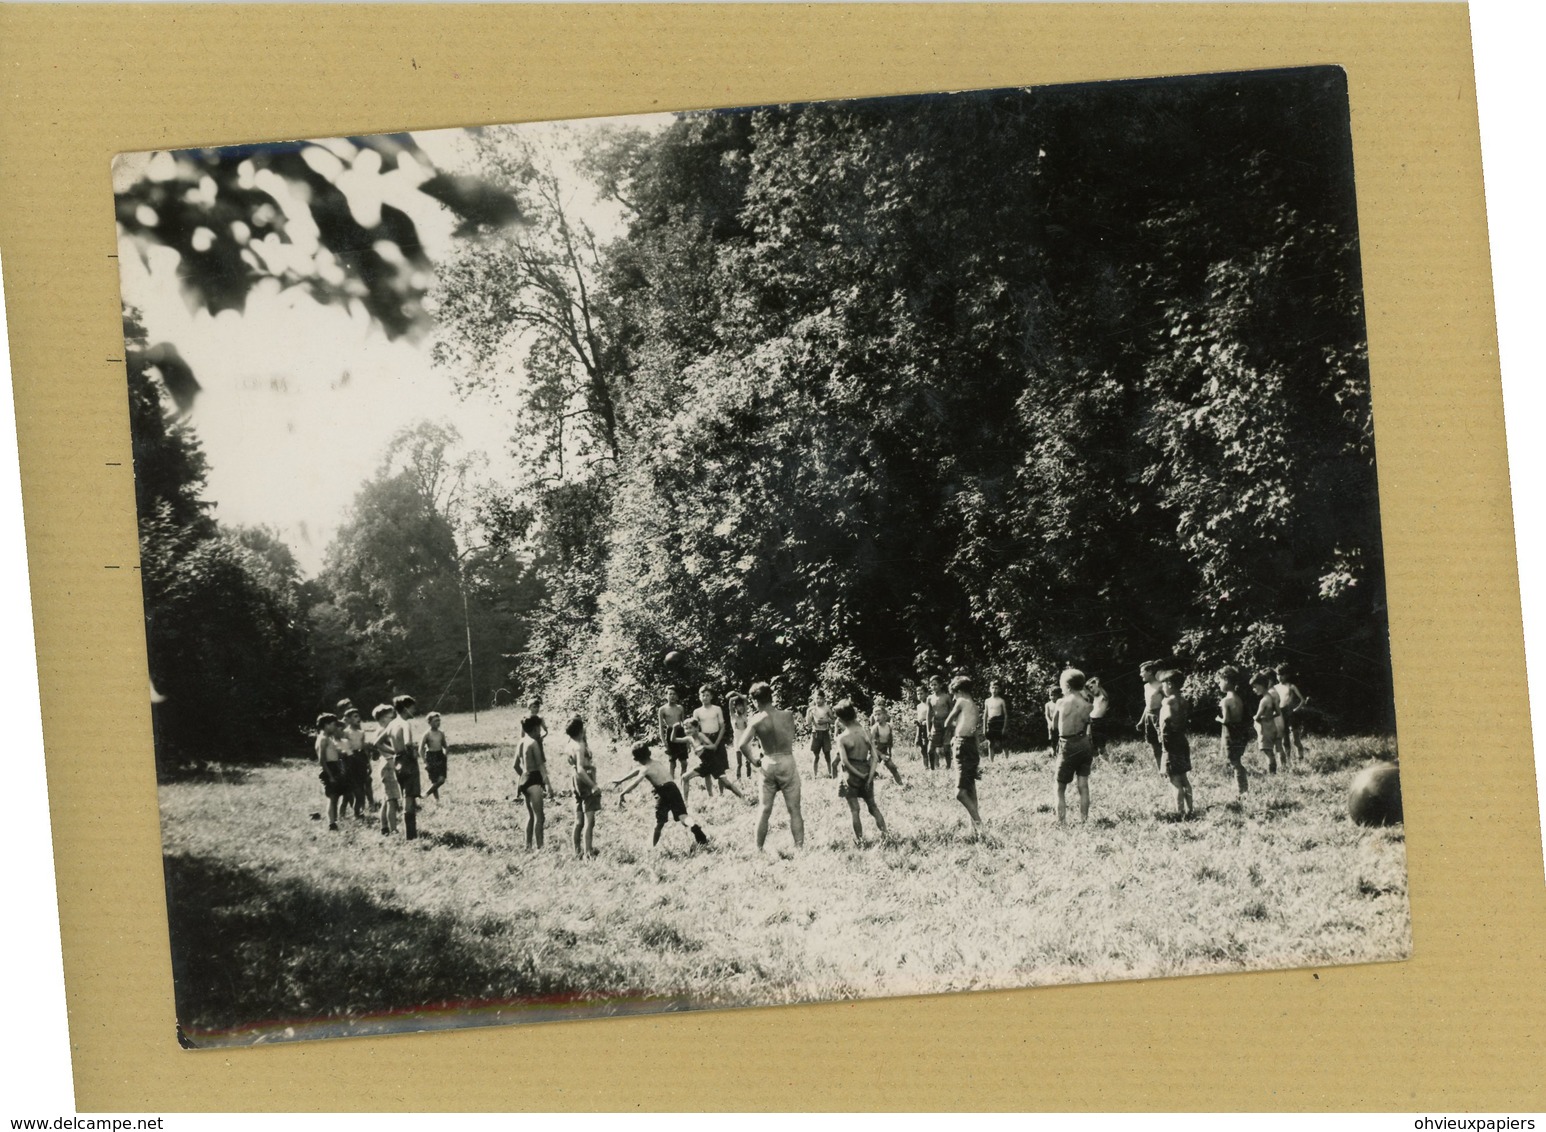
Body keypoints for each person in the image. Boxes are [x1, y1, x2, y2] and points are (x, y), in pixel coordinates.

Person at [736, 681, 805, 852]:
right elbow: (791, 735)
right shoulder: (788, 715)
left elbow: (742, 745)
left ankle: (758, 849)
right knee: (794, 809)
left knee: (764, 808)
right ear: (771, 696)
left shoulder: (756, 720)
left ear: (754, 700)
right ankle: (799, 848)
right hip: (787, 760)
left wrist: (754, 761)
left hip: (768, 762)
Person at [616, 743, 709, 847]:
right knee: (683, 816)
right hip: (673, 788)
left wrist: (622, 793)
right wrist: (621, 780)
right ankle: (694, 827)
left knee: (659, 823)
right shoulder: (656, 763)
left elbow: (636, 781)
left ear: (635, 759)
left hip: (663, 791)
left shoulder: (645, 769)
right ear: (649, 753)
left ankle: (651, 847)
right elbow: (637, 770)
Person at [834, 700, 887, 844]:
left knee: (854, 810)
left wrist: (858, 775)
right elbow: (875, 757)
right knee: (873, 807)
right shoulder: (866, 733)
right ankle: (885, 834)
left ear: (840, 719)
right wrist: (869, 777)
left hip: (850, 776)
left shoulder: (842, 738)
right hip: (866, 769)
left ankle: (860, 841)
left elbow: (845, 762)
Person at [942, 675, 983, 836]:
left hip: (962, 744)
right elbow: (975, 734)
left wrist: (956, 727)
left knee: (960, 793)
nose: (953, 697)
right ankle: (973, 828)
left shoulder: (960, 702)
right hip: (971, 746)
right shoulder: (975, 706)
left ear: (958, 691)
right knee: (971, 788)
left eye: (954, 694)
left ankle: (979, 825)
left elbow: (947, 723)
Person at [1053, 668, 1095, 824]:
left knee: (1059, 786)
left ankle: (1061, 822)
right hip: (1084, 743)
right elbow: (1087, 722)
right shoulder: (1087, 705)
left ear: (1067, 686)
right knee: (1083, 785)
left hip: (1067, 744)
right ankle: (1084, 820)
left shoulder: (1060, 702)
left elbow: (1055, 726)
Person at [680, 717, 749, 805]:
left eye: (690, 728)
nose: (688, 730)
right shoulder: (690, 738)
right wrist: (675, 729)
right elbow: (673, 739)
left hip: (714, 763)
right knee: (684, 777)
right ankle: (684, 803)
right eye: (686, 728)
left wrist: (703, 747)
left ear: (697, 728)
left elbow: (713, 747)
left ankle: (743, 798)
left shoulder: (701, 735)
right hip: (705, 764)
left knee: (727, 784)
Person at [1158, 670, 1194, 818]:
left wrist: (1162, 739)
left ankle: (1179, 812)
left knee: (1174, 780)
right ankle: (1190, 809)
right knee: (1184, 778)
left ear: (1170, 684)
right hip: (1181, 739)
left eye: (1163, 684)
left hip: (1170, 742)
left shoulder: (1168, 701)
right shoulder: (1183, 701)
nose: (1162, 688)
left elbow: (1165, 721)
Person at [387, 694, 422, 840]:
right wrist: (414, 753)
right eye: (412, 708)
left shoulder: (391, 724)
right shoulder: (405, 724)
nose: (414, 710)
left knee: (404, 795)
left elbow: (378, 742)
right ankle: (411, 836)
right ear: (406, 708)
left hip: (397, 761)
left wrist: (395, 752)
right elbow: (408, 743)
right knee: (409, 797)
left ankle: (409, 834)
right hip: (408, 761)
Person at [566, 715, 601, 859]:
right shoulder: (579, 746)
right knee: (590, 819)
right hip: (584, 777)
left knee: (579, 818)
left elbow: (574, 766)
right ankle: (588, 852)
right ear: (580, 730)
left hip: (575, 779)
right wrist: (593, 785)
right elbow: (581, 768)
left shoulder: (570, 744)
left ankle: (577, 850)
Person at [515, 714, 550, 850]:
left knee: (530, 816)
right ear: (536, 728)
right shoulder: (534, 743)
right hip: (534, 780)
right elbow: (541, 765)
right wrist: (547, 784)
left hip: (524, 778)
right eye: (539, 728)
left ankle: (527, 846)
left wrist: (524, 776)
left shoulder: (521, 742)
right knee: (540, 817)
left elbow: (515, 765)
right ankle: (540, 848)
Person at [1216, 666, 1252, 797]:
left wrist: (1218, 719)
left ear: (1226, 681)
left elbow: (1226, 719)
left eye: (1220, 681)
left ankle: (1242, 790)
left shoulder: (1225, 701)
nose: (1219, 684)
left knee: (1235, 762)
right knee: (1236, 760)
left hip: (1230, 733)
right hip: (1240, 732)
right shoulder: (1239, 698)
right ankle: (1242, 789)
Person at [692, 684, 730, 796]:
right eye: (703, 695)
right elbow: (694, 730)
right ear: (699, 696)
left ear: (711, 696)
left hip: (717, 737)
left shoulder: (717, 709)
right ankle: (710, 794)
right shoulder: (697, 711)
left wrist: (717, 742)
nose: (705, 697)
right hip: (704, 739)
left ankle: (721, 793)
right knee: (706, 766)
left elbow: (722, 726)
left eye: (707, 695)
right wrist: (697, 744)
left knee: (720, 766)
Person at [371, 704, 402, 835]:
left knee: (387, 798)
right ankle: (393, 829)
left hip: (387, 764)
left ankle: (384, 826)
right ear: (383, 719)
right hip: (388, 765)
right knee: (392, 800)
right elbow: (380, 746)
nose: (394, 719)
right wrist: (395, 752)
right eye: (391, 716)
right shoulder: (382, 731)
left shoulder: (383, 730)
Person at [314, 713, 347, 831]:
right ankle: (331, 823)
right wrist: (330, 775)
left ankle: (334, 820)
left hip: (334, 767)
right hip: (329, 768)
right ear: (326, 725)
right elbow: (322, 760)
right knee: (332, 797)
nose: (335, 727)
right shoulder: (323, 739)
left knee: (336, 796)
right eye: (333, 725)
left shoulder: (328, 738)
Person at [340, 706, 371, 819]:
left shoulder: (361, 732)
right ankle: (341, 813)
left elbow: (363, 749)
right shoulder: (345, 732)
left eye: (358, 716)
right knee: (349, 789)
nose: (358, 718)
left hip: (360, 759)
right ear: (348, 719)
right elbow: (343, 747)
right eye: (355, 716)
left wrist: (368, 763)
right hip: (349, 759)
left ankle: (357, 812)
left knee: (361, 786)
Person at [1273, 665, 1307, 765]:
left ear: (1287, 675)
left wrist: (1295, 709)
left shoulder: (1291, 686)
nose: (1280, 677)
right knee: (1285, 738)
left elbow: (1302, 700)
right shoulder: (1275, 687)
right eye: (1278, 675)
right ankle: (1288, 760)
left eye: (1282, 675)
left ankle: (1300, 756)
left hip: (1290, 713)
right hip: (1281, 713)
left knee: (1296, 738)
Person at [1250, 671, 1282, 774]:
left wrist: (1257, 717)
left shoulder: (1263, 700)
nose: (1254, 690)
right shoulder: (1271, 698)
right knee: (1270, 751)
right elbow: (1278, 712)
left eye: (1255, 687)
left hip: (1265, 729)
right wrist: (1268, 717)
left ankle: (1272, 773)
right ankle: (1273, 772)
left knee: (1268, 752)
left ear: (1262, 685)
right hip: (1272, 727)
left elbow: (1257, 717)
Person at [1136, 661, 1164, 770]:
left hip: (1159, 716)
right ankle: (1160, 770)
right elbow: (1148, 706)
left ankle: (1168, 768)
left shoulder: (1161, 685)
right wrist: (1141, 721)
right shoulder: (1146, 686)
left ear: (1150, 672)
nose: (1140, 674)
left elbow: (1166, 703)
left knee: (1163, 743)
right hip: (1149, 717)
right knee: (1154, 745)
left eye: (1142, 672)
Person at [870, 700, 904, 785]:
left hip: (884, 750)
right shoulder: (874, 728)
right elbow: (870, 745)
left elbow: (890, 741)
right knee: (867, 770)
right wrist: (880, 755)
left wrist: (889, 752)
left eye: (879, 714)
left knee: (892, 767)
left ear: (885, 715)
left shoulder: (889, 726)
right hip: (875, 751)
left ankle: (901, 785)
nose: (877, 717)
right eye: (875, 715)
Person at [658, 688, 690, 779]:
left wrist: (687, 741)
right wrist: (664, 742)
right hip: (670, 733)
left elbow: (684, 724)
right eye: (670, 694)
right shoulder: (662, 709)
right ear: (666, 696)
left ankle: (683, 778)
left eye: (674, 694)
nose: (672, 696)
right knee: (672, 762)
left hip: (680, 733)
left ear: (677, 696)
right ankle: (671, 781)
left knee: (684, 762)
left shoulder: (680, 708)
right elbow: (661, 727)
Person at [806, 687, 836, 778]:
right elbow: (808, 723)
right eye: (816, 698)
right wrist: (808, 712)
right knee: (816, 756)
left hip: (825, 733)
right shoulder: (812, 709)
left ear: (824, 699)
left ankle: (831, 774)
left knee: (827, 754)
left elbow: (834, 720)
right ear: (814, 699)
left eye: (820, 698)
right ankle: (814, 775)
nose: (818, 700)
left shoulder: (827, 708)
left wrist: (826, 720)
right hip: (816, 733)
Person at [927, 676, 954, 772]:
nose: (933, 687)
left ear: (940, 685)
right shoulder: (930, 698)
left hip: (946, 723)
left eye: (935, 684)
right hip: (935, 724)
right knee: (930, 749)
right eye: (932, 685)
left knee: (946, 748)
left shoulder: (946, 697)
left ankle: (948, 768)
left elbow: (952, 710)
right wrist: (928, 730)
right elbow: (928, 715)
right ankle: (932, 769)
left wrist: (951, 723)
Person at [420, 711, 449, 801]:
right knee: (434, 780)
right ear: (429, 722)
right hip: (431, 756)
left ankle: (426, 793)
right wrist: (425, 762)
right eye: (436, 721)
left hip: (440, 755)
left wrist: (445, 754)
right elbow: (420, 749)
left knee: (441, 780)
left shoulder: (441, 733)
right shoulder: (427, 734)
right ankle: (437, 800)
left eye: (439, 720)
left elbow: (445, 745)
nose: (438, 723)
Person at [727, 691, 756, 779]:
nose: (741, 708)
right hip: (737, 741)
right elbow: (731, 700)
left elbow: (745, 699)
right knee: (739, 763)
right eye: (739, 706)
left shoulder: (744, 715)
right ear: (735, 708)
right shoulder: (733, 716)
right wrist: (736, 695)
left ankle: (749, 777)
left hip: (746, 740)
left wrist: (736, 693)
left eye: (742, 706)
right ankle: (738, 779)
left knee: (748, 762)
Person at [982, 680, 1009, 760]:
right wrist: (984, 728)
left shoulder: (1001, 701)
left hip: (999, 722)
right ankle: (991, 761)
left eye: (996, 688)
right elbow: (985, 715)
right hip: (991, 723)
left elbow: (1006, 715)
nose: (994, 690)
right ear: (990, 689)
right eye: (992, 688)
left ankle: (1007, 759)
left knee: (1003, 742)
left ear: (999, 689)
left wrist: (1004, 728)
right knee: (990, 743)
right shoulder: (987, 701)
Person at [1087, 676, 1111, 759]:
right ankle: (1096, 763)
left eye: (1091, 687)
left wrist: (1097, 684)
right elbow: (1085, 690)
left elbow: (1102, 692)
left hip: (1099, 722)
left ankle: (1107, 762)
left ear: (1097, 685)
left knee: (1101, 746)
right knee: (1091, 745)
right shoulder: (1095, 697)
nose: (1090, 689)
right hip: (1091, 722)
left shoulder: (1104, 697)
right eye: (1089, 688)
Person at [912, 687, 930, 763]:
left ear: (926, 694)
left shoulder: (929, 704)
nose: (919, 695)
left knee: (930, 747)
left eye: (921, 693)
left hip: (928, 727)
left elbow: (933, 716)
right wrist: (916, 721)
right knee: (922, 747)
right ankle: (925, 766)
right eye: (918, 694)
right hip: (920, 728)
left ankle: (935, 765)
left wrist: (927, 721)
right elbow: (920, 717)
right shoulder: (919, 706)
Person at [1044, 684, 1061, 753]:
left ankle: (1059, 750)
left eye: (1055, 695)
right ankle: (1053, 750)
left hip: (1059, 723)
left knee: (1060, 737)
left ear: (1058, 695)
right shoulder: (1048, 704)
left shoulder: (1060, 703)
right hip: (1051, 724)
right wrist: (1049, 723)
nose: (1053, 697)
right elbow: (1047, 715)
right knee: (1053, 738)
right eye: (1051, 695)